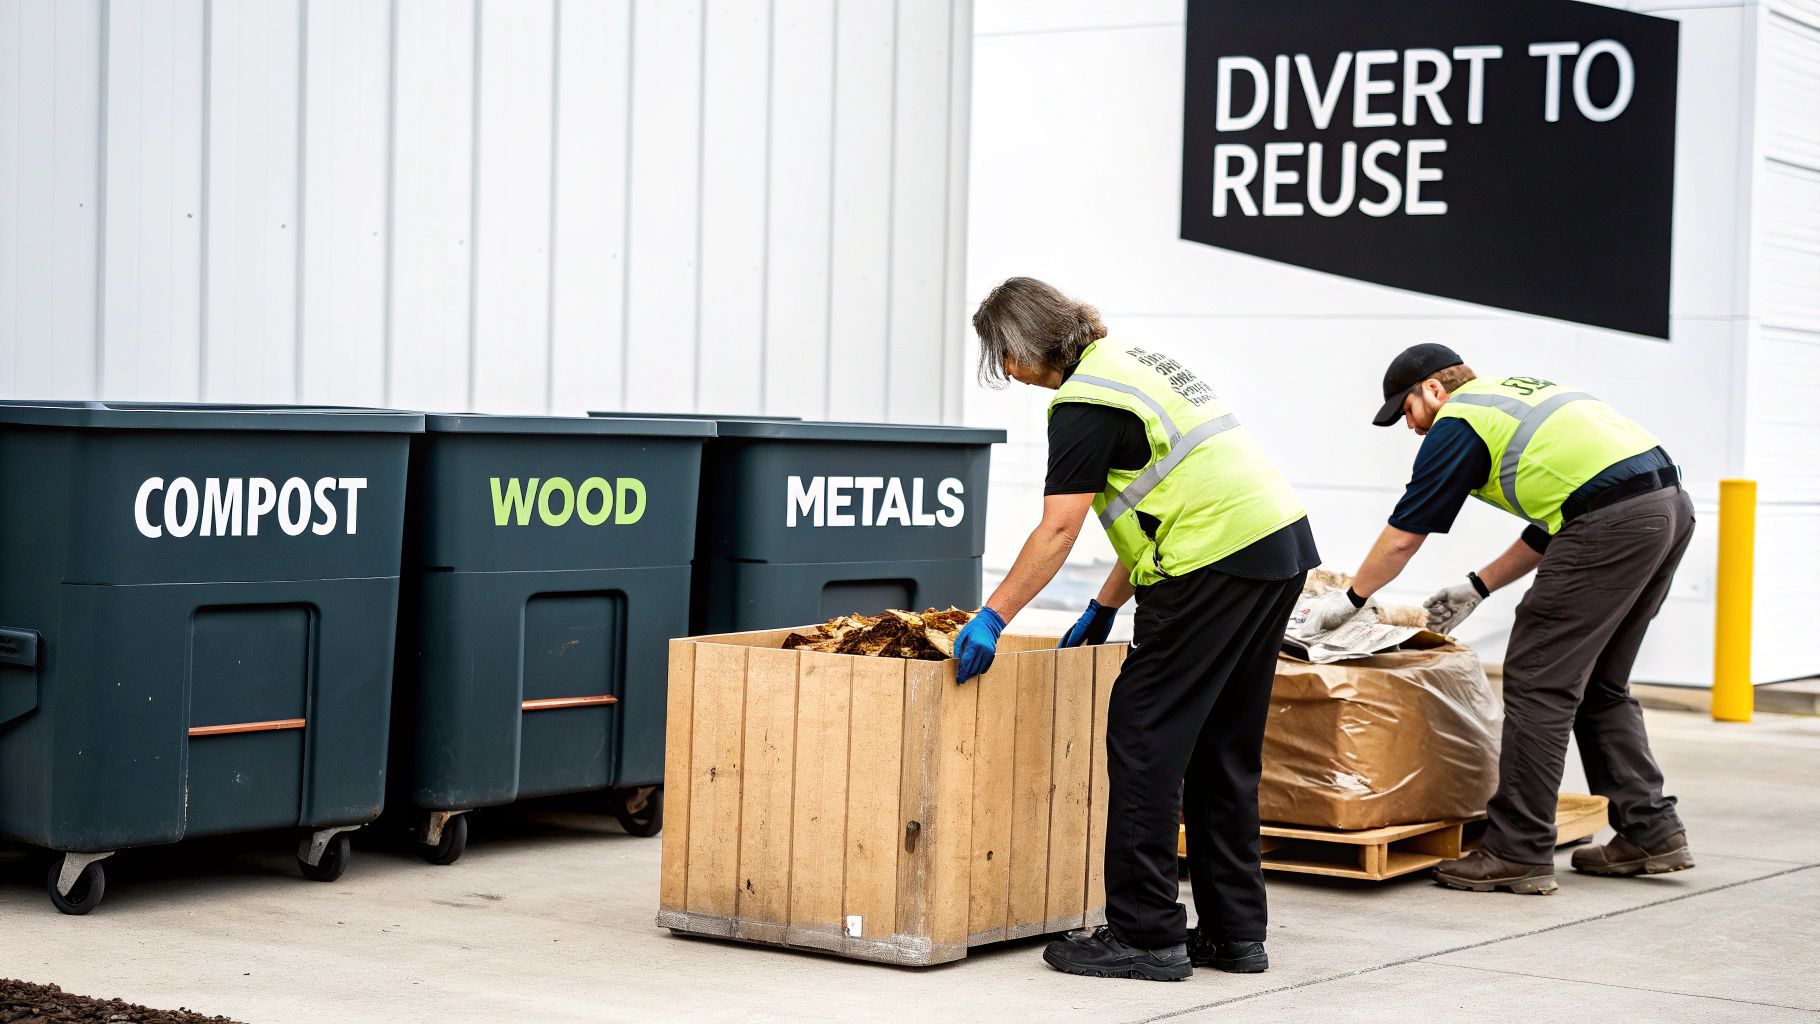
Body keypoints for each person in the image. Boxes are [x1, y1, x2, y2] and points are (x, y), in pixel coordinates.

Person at [952, 278, 1319, 981]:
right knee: (1223, 744)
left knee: (1146, 736)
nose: (1003, 371)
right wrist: (1106, 604)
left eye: (1001, 356)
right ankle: (1235, 935)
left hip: (1212, 564)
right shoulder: (1131, 366)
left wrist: (992, 616)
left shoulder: (1083, 403)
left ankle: (1145, 935)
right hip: (1277, 547)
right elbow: (1156, 502)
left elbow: (1059, 527)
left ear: (1022, 344)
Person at [1299, 343, 1695, 895]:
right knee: (1601, 684)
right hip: (1666, 508)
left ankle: (1518, 850)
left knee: (1539, 681)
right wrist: (1478, 585)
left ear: (1434, 390)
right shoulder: (1511, 396)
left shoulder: (1458, 421)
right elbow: (1560, 515)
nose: (1411, 428)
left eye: (1406, 412)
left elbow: (1402, 538)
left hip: (1616, 521)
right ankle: (1651, 831)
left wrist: (1351, 598)